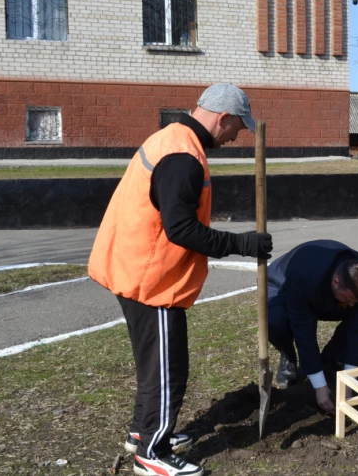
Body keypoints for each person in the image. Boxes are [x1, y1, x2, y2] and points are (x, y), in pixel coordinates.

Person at [88, 83, 273, 476]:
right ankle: (151, 454)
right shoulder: (183, 155)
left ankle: (143, 433)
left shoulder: (172, 138)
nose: (236, 137)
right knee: (168, 369)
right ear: (222, 118)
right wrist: (242, 243)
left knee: (154, 365)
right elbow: (181, 230)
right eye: (237, 129)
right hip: (150, 280)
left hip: (133, 268)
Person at [267, 240, 358, 413]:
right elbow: (303, 329)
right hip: (283, 285)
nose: (351, 306)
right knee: (276, 321)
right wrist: (319, 387)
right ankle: (288, 355)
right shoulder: (302, 276)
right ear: (336, 282)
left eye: (354, 301)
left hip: (326, 295)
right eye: (348, 299)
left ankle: (329, 360)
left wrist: (350, 382)